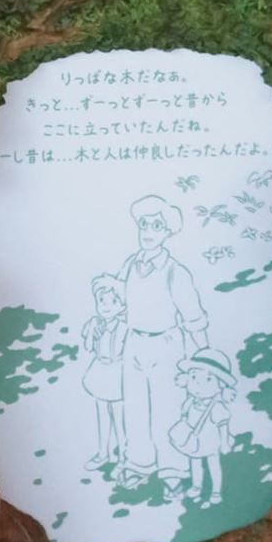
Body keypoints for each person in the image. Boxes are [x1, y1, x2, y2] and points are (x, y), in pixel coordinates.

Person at [117, 195, 209, 486]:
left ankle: (173, 469)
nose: (148, 232)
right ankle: (139, 463)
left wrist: (205, 355)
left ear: (168, 231)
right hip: (133, 343)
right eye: (144, 225)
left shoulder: (175, 271)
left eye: (156, 226)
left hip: (166, 344)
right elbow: (119, 302)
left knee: (167, 407)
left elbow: (193, 315)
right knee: (135, 407)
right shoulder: (130, 265)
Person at [169, 348, 237, 508]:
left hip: (211, 440)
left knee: (214, 464)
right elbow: (185, 416)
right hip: (194, 440)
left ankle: (216, 491)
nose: (199, 384)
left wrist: (225, 442)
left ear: (220, 385)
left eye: (208, 379)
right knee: (195, 462)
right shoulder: (191, 401)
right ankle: (196, 486)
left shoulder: (216, 406)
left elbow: (223, 425)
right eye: (193, 377)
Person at [81, 274, 127, 470]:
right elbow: (88, 346)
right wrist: (92, 331)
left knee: (119, 416)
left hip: (117, 372)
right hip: (100, 370)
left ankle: (124, 456)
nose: (106, 306)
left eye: (113, 301)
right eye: (102, 301)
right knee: (102, 414)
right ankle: (103, 453)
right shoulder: (95, 323)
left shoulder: (125, 326)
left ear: (122, 305)